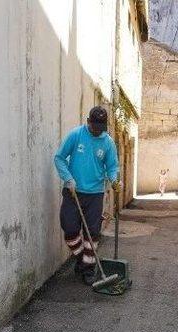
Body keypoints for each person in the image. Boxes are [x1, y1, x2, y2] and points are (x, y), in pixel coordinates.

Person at [54, 106, 121, 286]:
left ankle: (88, 269)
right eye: (95, 127)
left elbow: (112, 166)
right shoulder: (76, 135)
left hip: (95, 194)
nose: (98, 131)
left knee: (92, 233)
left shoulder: (108, 142)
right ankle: (82, 260)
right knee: (69, 228)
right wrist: (68, 178)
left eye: (101, 128)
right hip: (73, 191)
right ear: (88, 121)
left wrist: (114, 180)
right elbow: (59, 158)